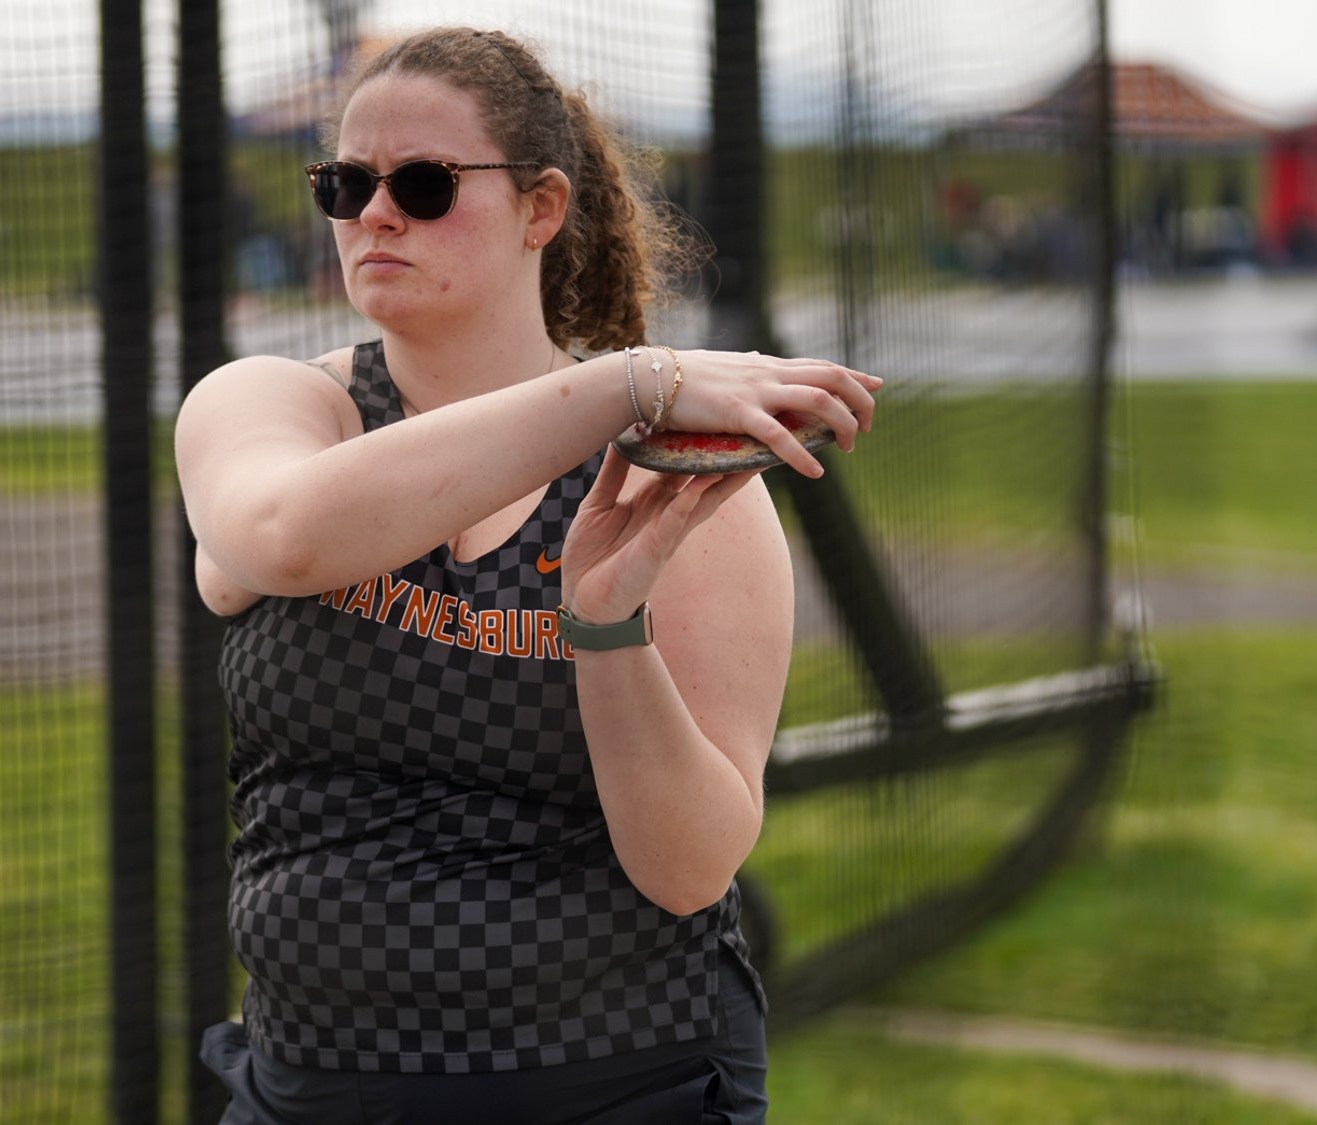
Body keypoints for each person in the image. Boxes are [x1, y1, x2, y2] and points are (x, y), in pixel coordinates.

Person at [173, 27, 881, 1124]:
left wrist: (605, 630)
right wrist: (628, 386)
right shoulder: (278, 405)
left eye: (421, 182)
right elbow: (280, 535)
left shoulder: (668, 483)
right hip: (311, 1087)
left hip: (619, 1084)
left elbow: (689, 868)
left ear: (540, 210)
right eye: (345, 183)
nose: (374, 213)